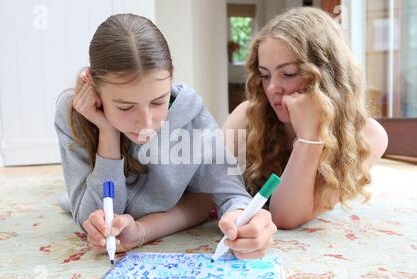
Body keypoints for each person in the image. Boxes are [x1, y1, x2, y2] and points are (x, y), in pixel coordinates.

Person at [54, 14, 277, 259]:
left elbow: (232, 193)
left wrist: (241, 217)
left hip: (174, 213)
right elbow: (92, 218)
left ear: (170, 76)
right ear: (95, 89)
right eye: (125, 107)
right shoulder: (75, 112)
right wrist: (108, 133)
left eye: (158, 101)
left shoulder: (193, 119)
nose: (147, 123)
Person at [223, 7, 388, 229]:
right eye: (265, 75)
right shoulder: (247, 116)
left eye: (289, 74)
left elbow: (285, 217)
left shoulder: (367, 137)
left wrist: (310, 135)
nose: (272, 88)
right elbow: (205, 192)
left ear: (328, 75)